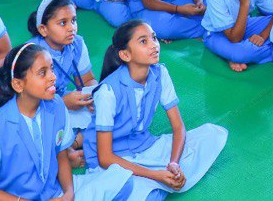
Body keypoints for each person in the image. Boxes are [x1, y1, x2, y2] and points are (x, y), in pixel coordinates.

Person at [84, 20, 228, 199]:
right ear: (125, 55)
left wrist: (174, 164)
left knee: (213, 134)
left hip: (146, 146)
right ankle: (156, 184)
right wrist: (156, 175)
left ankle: (158, 182)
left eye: (154, 38)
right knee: (136, 189)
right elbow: (105, 157)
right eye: (143, 41)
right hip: (114, 159)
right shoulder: (107, 92)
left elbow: (178, 128)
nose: (154, 45)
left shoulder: (160, 74)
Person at [0, 43, 129, 200]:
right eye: (43, 73)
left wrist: (68, 193)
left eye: (52, 69)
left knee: (122, 179)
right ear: (18, 84)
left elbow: (61, 156)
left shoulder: (56, 105)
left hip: (54, 193)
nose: (53, 77)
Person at [26, 0, 95, 131]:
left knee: (101, 115)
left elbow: (87, 80)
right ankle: (75, 143)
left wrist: (92, 95)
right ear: (43, 29)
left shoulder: (77, 43)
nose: (71, 28)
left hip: (61, 97)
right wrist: (63, 103)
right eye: (63, 23)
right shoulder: (33, 54)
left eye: (73, 20)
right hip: (37, 106)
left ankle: (75, 142)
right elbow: (27, 102)